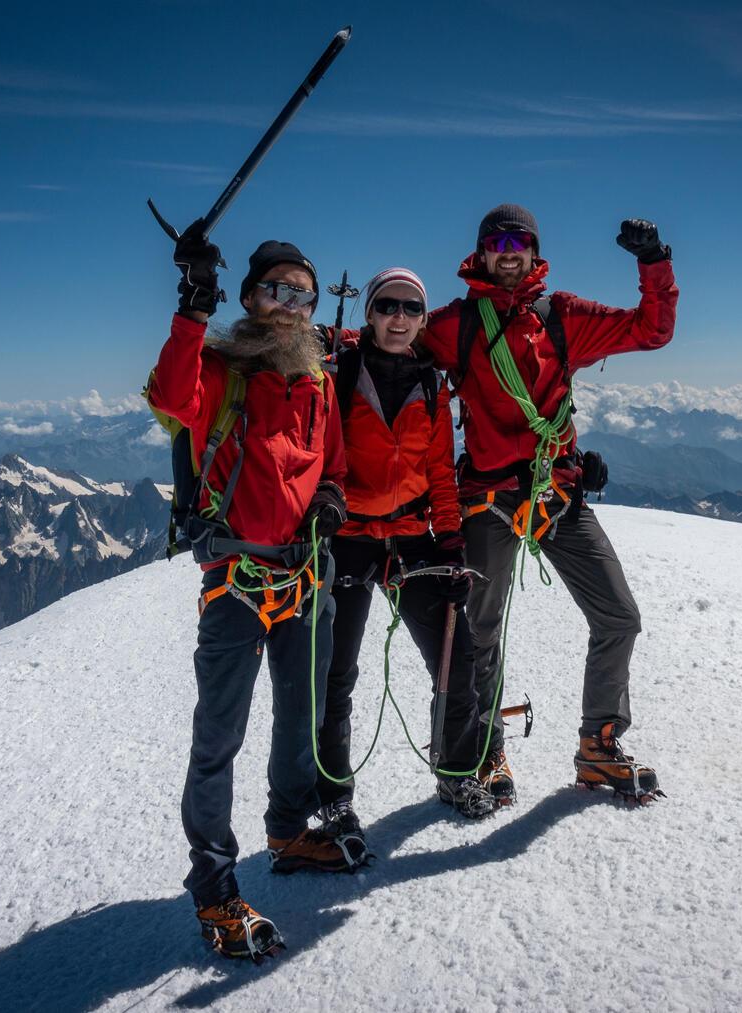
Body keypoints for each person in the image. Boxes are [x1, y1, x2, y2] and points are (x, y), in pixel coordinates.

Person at [147, 220, 369, 962]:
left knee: (301, 717)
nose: (290, 306)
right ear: (249, 297)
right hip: (236, 582)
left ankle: (287, 831)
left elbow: (332, 468)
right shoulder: (220, 371)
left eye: (302, 296)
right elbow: (170, 394)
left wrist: (330, 500)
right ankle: (213, 885)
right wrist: (193, 303)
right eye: (276, 290)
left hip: (305, 575)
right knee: (220, 737)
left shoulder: (319, 382)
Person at [420, 204, 679, 805]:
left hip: (554, 491)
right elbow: (390, 339)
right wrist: (322, 338)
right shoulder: (456, 325)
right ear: (481, 252)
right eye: (497, 242)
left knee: (619, 616)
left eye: (520, 242)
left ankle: (599, 747)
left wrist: (654, 262)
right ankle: (485, 750)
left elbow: (651, 329)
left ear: (535, 252)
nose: (509, 252)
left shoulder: (560, 317)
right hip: (488, 497)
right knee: (479, 632)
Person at [316, 268, 496, 834]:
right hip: (349, 535)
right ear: (370, 313)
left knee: (455, 657)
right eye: (388, 305)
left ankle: (457, 772)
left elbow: (440, 471)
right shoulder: (341, 373)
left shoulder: (431, 383)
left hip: (414, 535)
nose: (399, 317)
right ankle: (333, 794)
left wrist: (452, 541)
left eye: (411, 308)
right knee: (335, 671)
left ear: (422, 320)